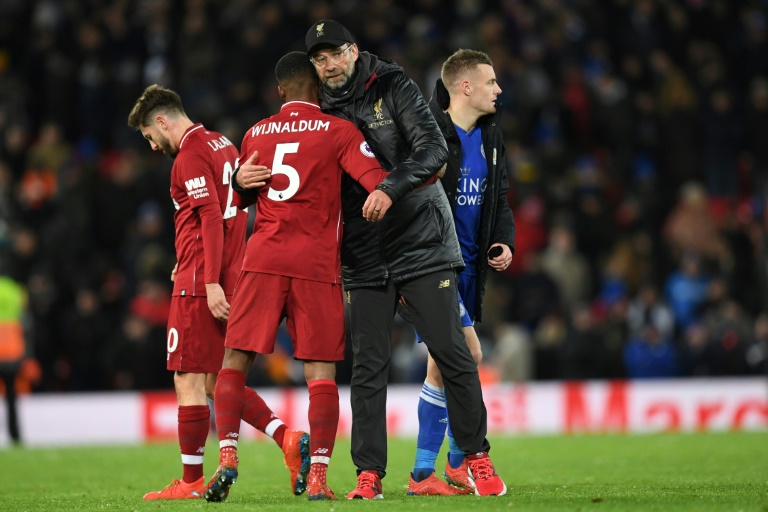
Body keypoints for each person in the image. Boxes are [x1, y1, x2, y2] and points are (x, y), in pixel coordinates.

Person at [306, 20, 507, 498]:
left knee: (452, 352)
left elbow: (434, 151)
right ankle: (368, 475)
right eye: (319, 59)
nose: (329, 65)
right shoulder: (316, 109)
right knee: (368, 367)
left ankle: (476, 459)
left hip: (420, 240)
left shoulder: (392, 85)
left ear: (354, 52)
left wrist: (388, 188)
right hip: (364, 250)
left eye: (335, 53)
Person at [203, 51, 393, 503]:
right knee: (320, 373)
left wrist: (238, 185)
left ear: (280, 91)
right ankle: (321, 478)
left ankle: (227, 456)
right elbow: (377, 180)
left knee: (234, 361)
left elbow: (241, 197)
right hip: (315, 264)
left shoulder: (256, 134)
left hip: (263, 258)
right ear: (320, 89)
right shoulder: (339, 131)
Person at [127, 85, 310, 501]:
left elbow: (209, 215)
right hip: (229, 271)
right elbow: (230, 210)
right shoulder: (223, 143)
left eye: (148, 136)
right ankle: (287, 438)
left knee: (187, 378)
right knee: (214, 380)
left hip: (201, 282)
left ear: (161, 121)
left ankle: (191, 483)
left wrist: (205, 278)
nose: (153, 146)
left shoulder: (189, 153)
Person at [404, 48, 516, 496]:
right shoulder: (426, 135)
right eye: (491, 82)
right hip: (434, 266)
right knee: (466, 356)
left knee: (442, 365)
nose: (498, 89)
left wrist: (502, 240)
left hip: (471, 269)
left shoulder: (491, 137)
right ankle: (442, 466)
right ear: (465, 87)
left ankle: (439, 469)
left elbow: (499, 196)